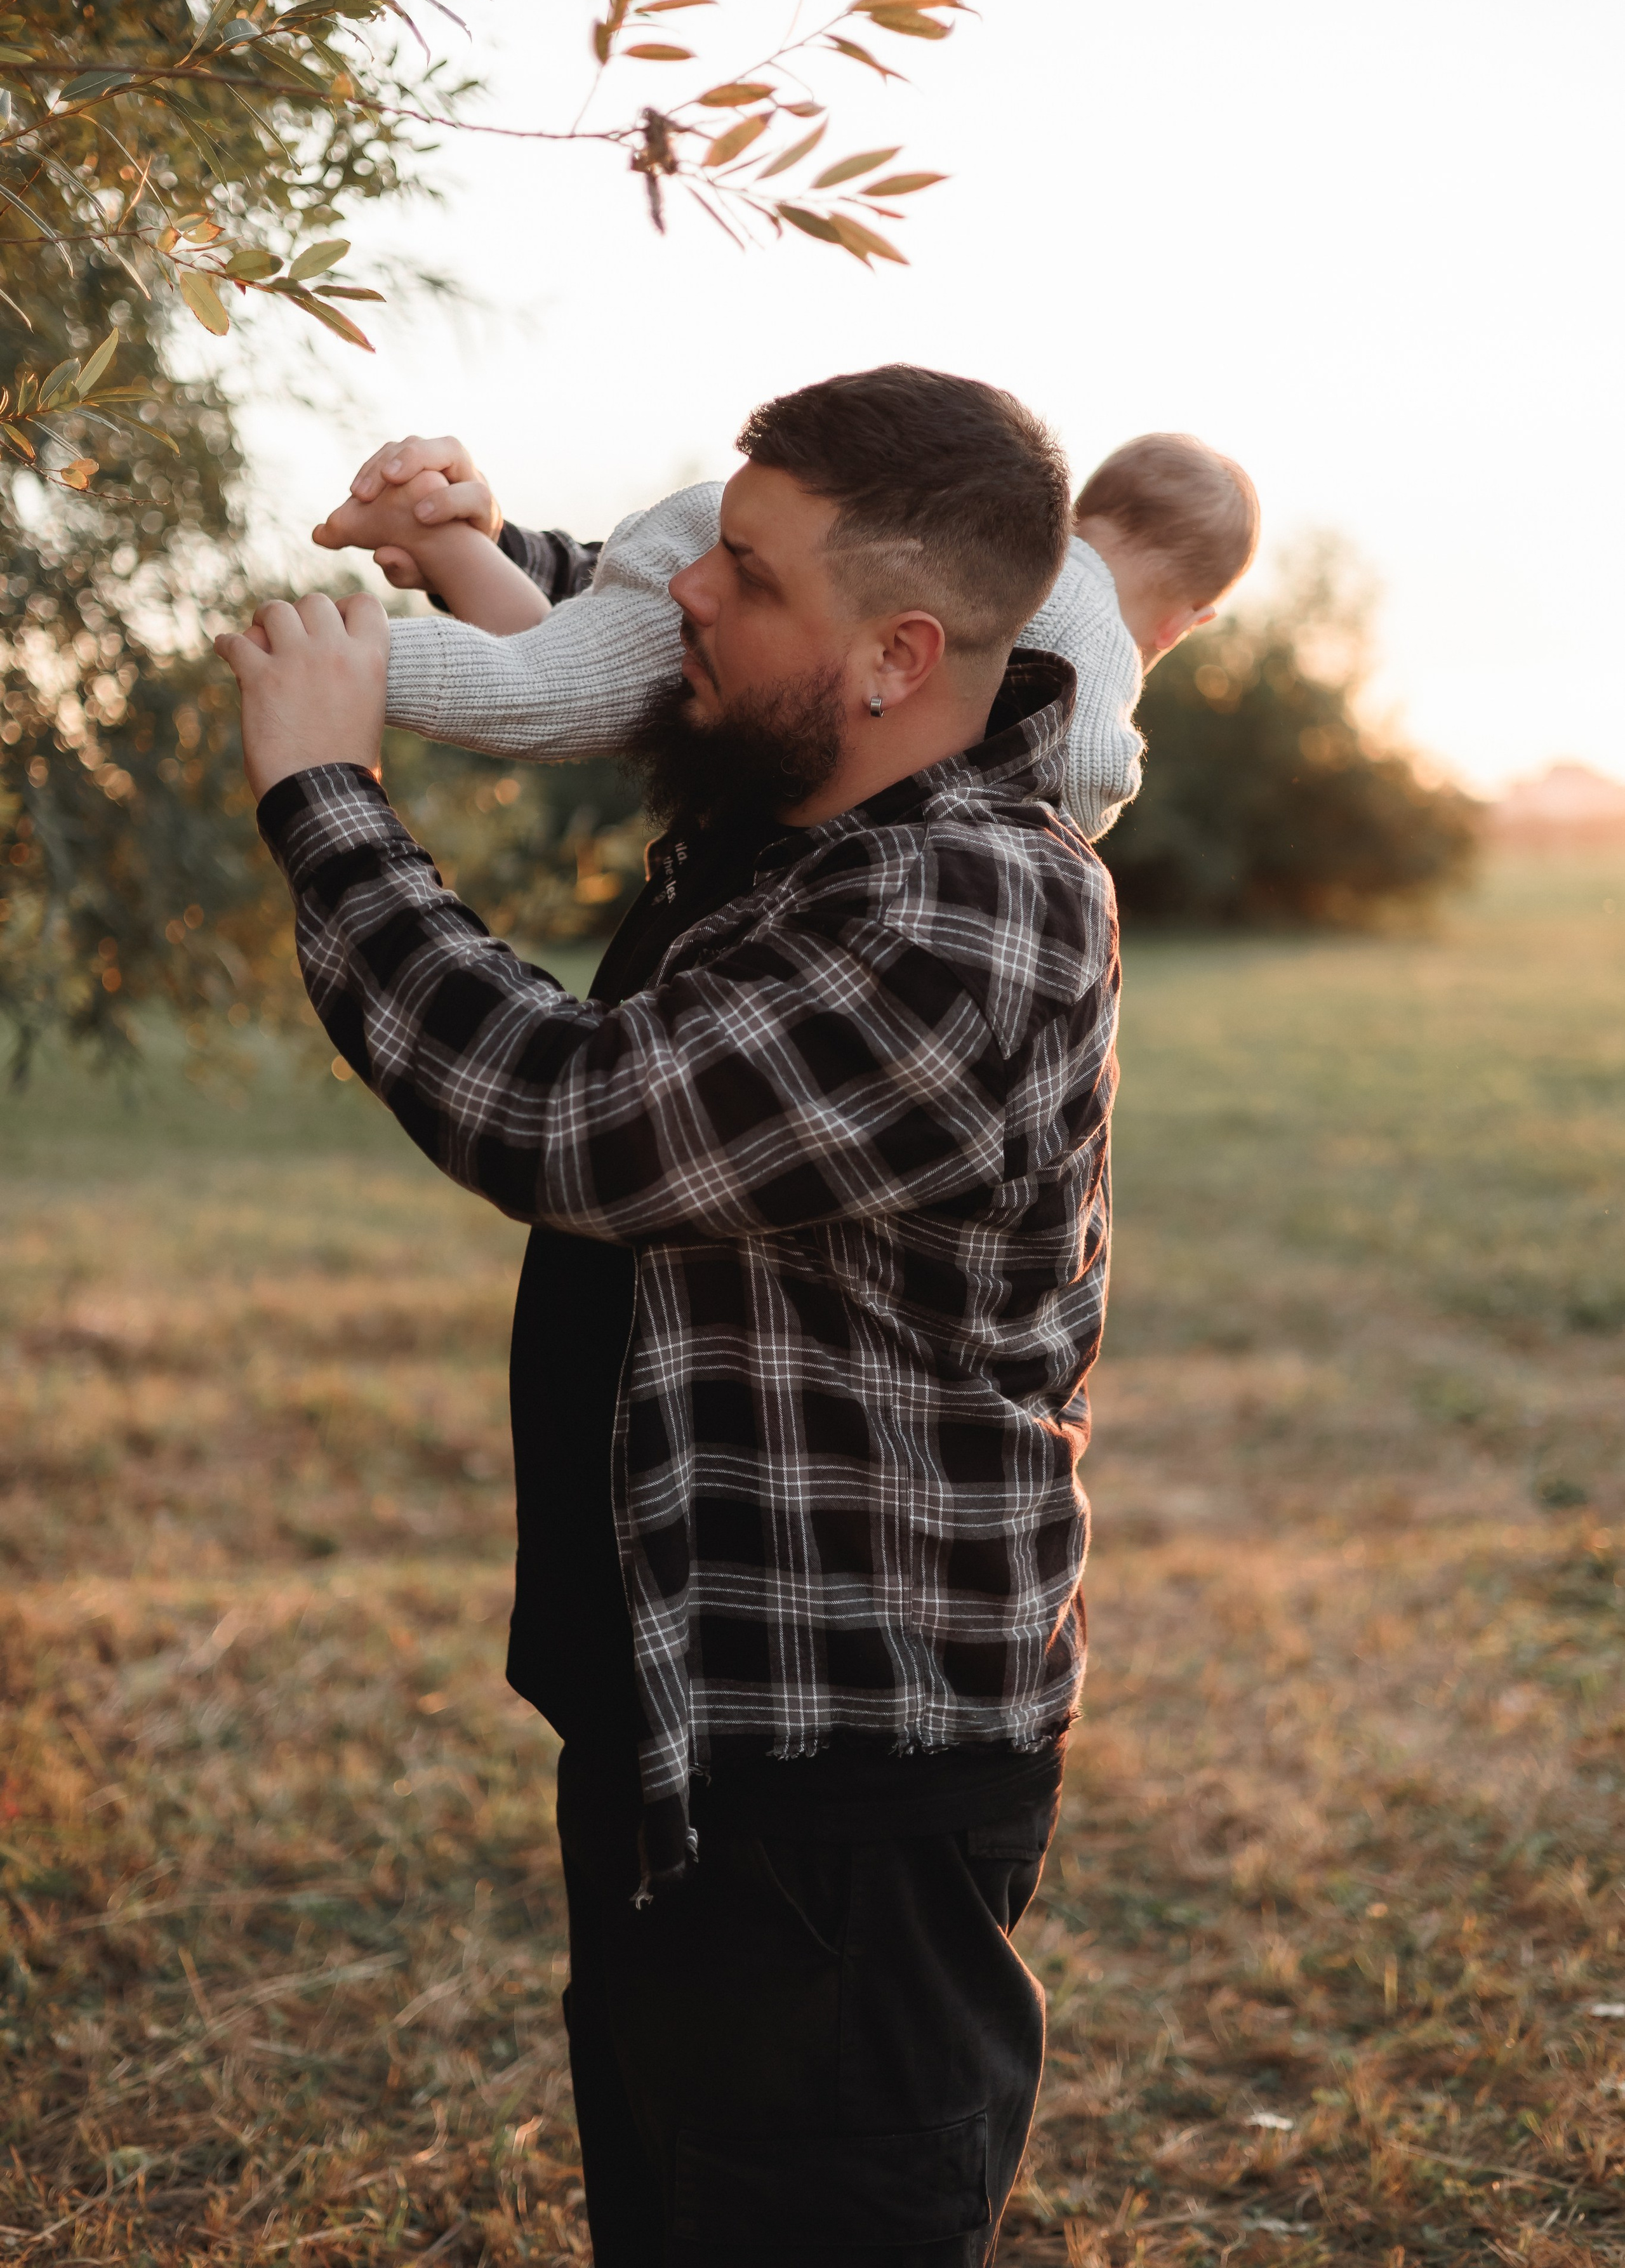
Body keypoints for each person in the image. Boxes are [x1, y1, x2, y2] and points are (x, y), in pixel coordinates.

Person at [211, 366, 1210, 2267]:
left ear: (897, 655)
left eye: (745, 572)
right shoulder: (801, 812)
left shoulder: (973, 905)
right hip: (691, 1721)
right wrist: (464, 546)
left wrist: (329, 798)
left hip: (841, 1779)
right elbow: (624, 624)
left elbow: (575, 1119)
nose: (691, 592)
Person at [308, 426, 1260, 844]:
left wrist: (506, 548)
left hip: (717, 529)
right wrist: (1096, 806)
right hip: (756, 568)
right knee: (545, 691)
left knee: (561, 671)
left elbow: (603, 609)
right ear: (1186, 624)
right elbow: (1086, 767)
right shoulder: (1087, 611)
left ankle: (435, 539)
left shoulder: (970, 533)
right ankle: (329, 663)